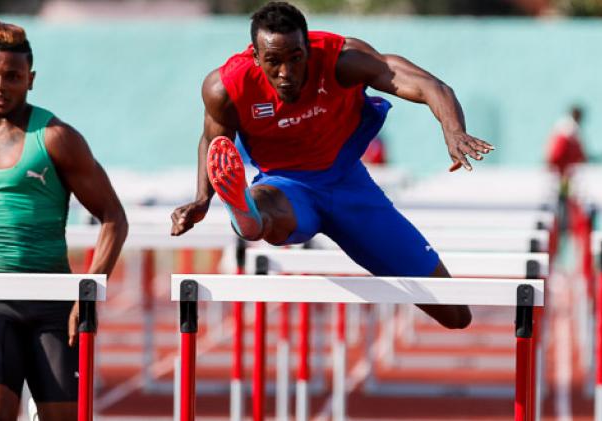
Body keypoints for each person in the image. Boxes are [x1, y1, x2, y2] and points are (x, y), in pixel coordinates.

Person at [171, 2, 494, 329]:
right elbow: (212, 142)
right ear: (255, 57)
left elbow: (430, 86)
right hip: (285, 185)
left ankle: (252, 217)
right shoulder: (225, 88)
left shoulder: (343, 59)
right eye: (273, 61)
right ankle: (248, 218)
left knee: (455, 314)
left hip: (348, 186)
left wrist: (453, 130)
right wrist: (203, 199)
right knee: (263, 203)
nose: (286, 73)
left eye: (295, 59)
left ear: (307, 48)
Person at [0, 18, 128, 421]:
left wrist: (87, 291)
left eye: (12, 76)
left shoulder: (55, 138)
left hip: (53, 301)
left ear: (30, 79)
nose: (0, 85)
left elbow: (113, 217)